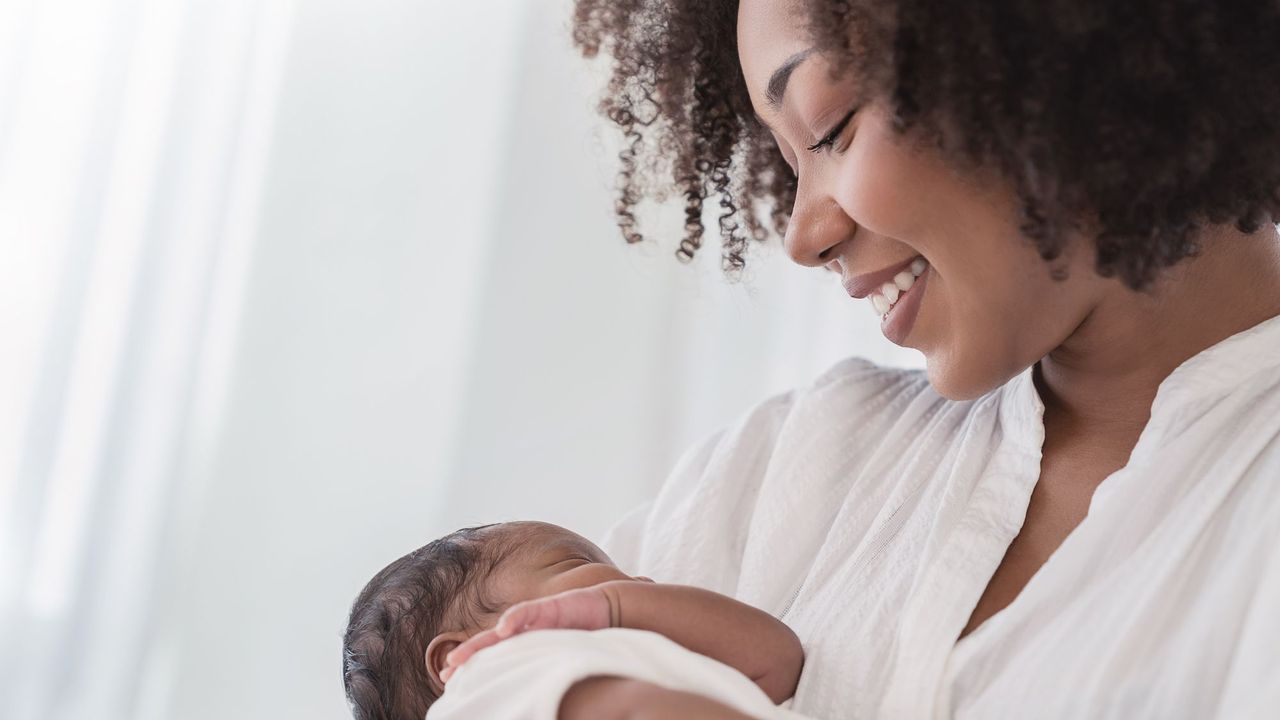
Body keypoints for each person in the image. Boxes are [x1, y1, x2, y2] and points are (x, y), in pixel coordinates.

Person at [454, 0, 1279, 716]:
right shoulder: (788, 462)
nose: (805, 235)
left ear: (1058, 50)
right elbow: (468, 675)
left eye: (830, 130)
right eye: (785, 160)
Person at [340, 521, 805, 720]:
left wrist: (618, 605)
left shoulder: (640, 664)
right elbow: (634, 710)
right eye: (573, 563)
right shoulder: (491, 678)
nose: (636, 579)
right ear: (453, 660)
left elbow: (778, 661)